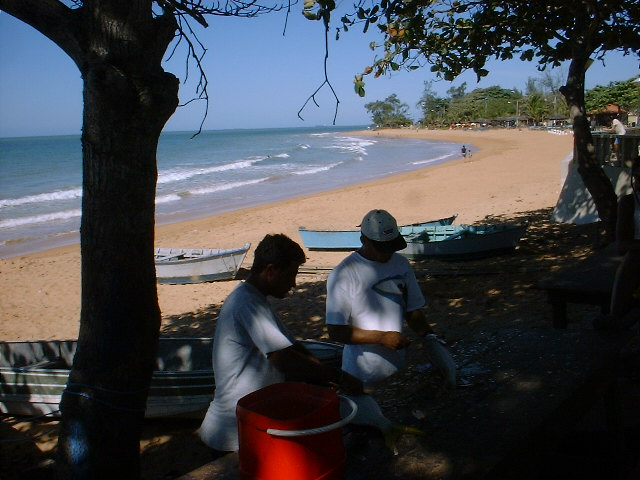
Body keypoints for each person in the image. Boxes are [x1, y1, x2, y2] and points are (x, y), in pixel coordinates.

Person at [199, 233, 362, 456]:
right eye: (291, 275)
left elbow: (292, 348)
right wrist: (339, 377)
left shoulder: (255, 299)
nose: (294, 284)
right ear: (271, 270)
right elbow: (284, 360)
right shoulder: (247, 303)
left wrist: (326, 375)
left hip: (253, 422)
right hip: (234, 433)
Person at [325, 210, 451, 449]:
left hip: (398, 369)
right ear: (363, 240)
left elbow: (412, 311)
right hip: (361, 377)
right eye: (382, 248)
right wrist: (381, 337)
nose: (387, 253)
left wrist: (430, 337)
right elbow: (336, 331)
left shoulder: (401, 264)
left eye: (391, 246)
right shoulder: (344, 274)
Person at [596, 157, 640, 330]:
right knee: (633, 256)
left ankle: (616, 315)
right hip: (636, 255)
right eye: (638, 178)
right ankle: (616, 315)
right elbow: (622, 245)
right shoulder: (629, 202)